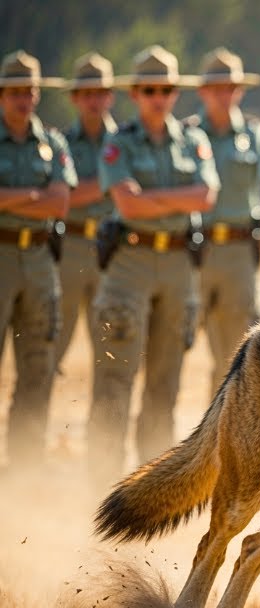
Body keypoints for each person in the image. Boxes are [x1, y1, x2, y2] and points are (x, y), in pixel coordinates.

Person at [87, 45, 219, 479]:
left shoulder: (193, 139)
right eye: (148, 90)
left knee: (166, 383)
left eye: (165, 89)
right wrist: (169, 201)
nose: (158, 96)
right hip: (131, 261)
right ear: (135, 94)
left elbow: (206, 196)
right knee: (115, 379)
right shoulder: (118, 141)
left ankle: (150, 486)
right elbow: (127, 206)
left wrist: (150, 199)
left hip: (179, 263)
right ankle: (101, 482)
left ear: (176, 93)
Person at [0, 50, 74, 472]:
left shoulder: (52, 142)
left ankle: (24, 462)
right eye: (15, 91)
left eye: (30, 90)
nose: (24, 98)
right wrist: (35, 197)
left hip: (40, 259)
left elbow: (61, 201)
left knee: (37, 366)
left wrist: (13, 199)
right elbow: (47, 197)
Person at [189, 48, 260, 397]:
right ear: (203, 91)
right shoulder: (186, 136)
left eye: (231, 87)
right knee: (171, 349)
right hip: (192, 250)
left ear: (241, 91)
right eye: (217, 87)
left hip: (238, 252)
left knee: (234, 356)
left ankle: (220, 439)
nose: (225, 94)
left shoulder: (255, 135)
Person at [57, 52, 116, 372]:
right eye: (87, 94)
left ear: (111, 97)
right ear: (75, 98)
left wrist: (81, 190)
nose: (94, 100)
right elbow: (60, 199)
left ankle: (102, 422)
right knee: (50, 343)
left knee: (110, 349)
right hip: (71, 248)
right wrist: (114, 182)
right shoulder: (59, 143)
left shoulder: (126, 141)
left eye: (101, 93)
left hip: (113, 248)